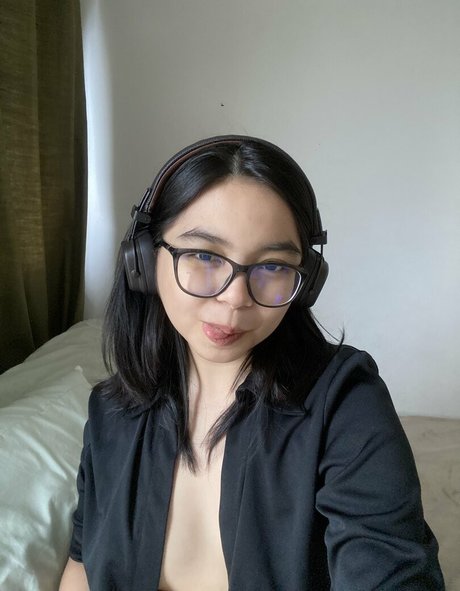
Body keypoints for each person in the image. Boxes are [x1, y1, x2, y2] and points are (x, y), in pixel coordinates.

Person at [59, 135, 444, 590]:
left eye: (274, 266)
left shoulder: (346, 404)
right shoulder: (110, 412)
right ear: (142, 259)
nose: (235, 298)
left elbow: (391, 567)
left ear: (306, 282)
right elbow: (81, 565)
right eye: (204, 255)